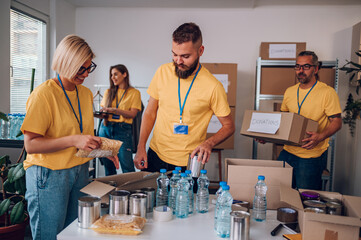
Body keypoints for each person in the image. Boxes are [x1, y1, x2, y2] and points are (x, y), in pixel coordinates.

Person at [21, 35, 119, 240]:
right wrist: (73, 140)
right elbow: (30, 145)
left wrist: (104, 151)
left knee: (74, 233)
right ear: (65, 63)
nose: (85, 74)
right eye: (80, 69)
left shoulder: (84, 93)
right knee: (49, 235)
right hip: (48, 175)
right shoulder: (43, 95)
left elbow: (84, 137)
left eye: (88, 67)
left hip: (79, 170)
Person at [134, 22, 235, 172]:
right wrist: (141, 146)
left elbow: (229, 126)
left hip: (189, 162)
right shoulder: (162, 72)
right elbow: (150, 112)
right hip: (155, 155)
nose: (178, 61)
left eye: (185, 56)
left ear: (200, 51)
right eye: (174, 54)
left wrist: (209, 143)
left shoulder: (213, 86)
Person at [278, 50, 342, 190]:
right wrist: (269, 135)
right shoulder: (289, 91)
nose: (301, 71)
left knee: (306, 198)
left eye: (306, 66)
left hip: (311, 156)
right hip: (287, 152)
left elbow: (337, 122)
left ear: (316, 68)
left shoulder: (327, 92)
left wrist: (320, 136)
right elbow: (283, 119)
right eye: (297, 66)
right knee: (281, 194)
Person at [97, 64, 141, 175]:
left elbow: (132, 114)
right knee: (109, 167)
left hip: (122, 130)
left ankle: (131, 192)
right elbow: (104, 111)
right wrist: (101, 113)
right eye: (111, 75)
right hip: (105, 128)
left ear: (124, 74)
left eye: (116, 74)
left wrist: (115, 110)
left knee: (127, 168)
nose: (113, 77)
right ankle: (111, 191)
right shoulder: (108, 92)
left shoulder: (134, 93)